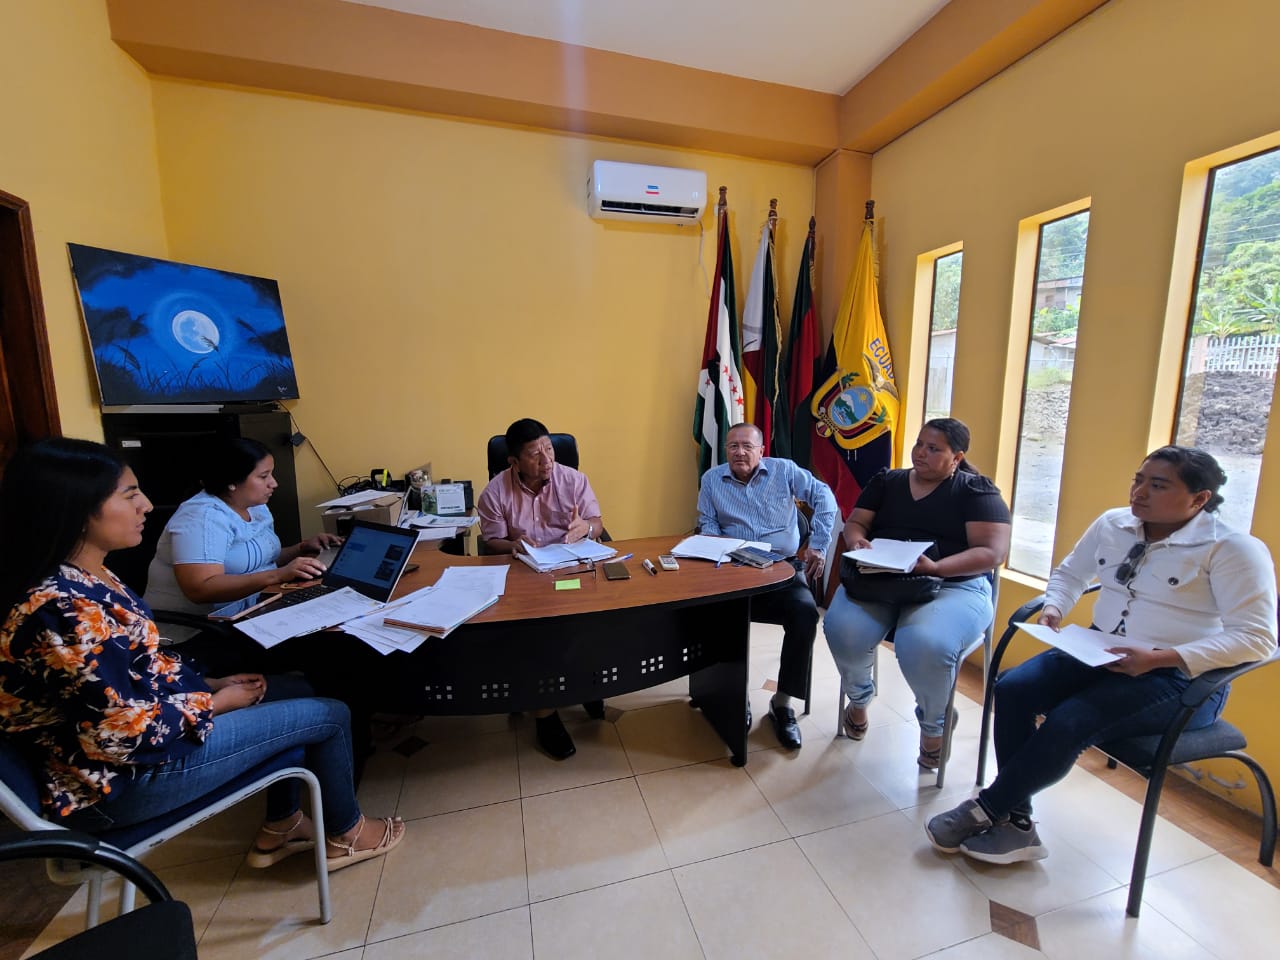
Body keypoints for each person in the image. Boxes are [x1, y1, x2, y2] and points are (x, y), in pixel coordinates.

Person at [0, 438, 405, 872]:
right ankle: (347, 835)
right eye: (130, 495)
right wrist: (215, 702)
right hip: (117, 787)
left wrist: (208, 684)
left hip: (129, 756)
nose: (146, 505)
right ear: (77, 508)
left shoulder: (85, 574)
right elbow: (123, 734)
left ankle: (283, 824)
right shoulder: (64, 607)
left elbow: (138, 670)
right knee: (330, 713)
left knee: (293, 691)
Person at [927, 446, 1277, 864]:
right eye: (1138, 480)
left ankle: (987, 808)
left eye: (1158, 485)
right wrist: (1055, 606)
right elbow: (1071, 573)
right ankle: (1018, 822)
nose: (1139, 492)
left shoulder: (1233, 550)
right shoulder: (1114, 523)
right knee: (1013, 688)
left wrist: (1161, 657)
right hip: (1099, 650)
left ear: (1199, 499)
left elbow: (1258, 638)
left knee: (1070, 720)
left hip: (1181, 680)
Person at [823, 418, 1010, 768]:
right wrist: (857, 540)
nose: (920, 453)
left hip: (953, 586)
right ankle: (859, 699)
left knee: (923, 644)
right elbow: (856, 523)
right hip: (882, 579)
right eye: (919, 444)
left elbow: (992, 553)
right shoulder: (888, 481)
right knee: (842, 628)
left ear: (957, 457)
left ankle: (934, 725)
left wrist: (936, 568)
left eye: (933, 448)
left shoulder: (976, 491)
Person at [696, 422, 837, 749]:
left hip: (782, 569)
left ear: (762, 451)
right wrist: (720, 547)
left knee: (805, 615)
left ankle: (782, 703)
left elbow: (825, 498)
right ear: (726, 450)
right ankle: (734, 696)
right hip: (734, 569)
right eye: (733, 446)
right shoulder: (712, 480)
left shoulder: (784, 471)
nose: (739, 452)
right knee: (717, 614)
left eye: (747, 446)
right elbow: (707, 524)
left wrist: (818, 545)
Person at [477, 418, 608, 760]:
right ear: (513, 461)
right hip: (524, 574)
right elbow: (492, 541)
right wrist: (513, 545)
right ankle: (545, 714)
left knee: (592, 621)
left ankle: (586, 684)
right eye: (535, 454)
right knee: (536, 634)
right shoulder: (494, 493)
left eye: (549, 449)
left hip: (570, 569)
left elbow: (597, 523)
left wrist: (585, 529)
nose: (546, 459)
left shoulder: (574, 480)